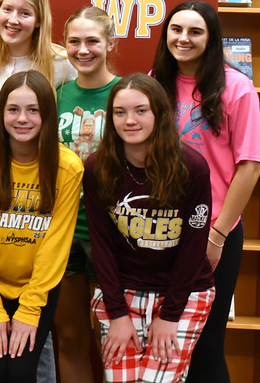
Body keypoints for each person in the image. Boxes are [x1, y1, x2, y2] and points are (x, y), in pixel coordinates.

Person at [151, 1, 260, 383]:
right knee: (163, 342)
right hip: (160, 229)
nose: (183, 39)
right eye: (176, 30)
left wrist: (217, 235)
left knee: (206, 343)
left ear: (211, 38)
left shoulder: (238, 88)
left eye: (195, 31)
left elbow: (250, 166)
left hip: (215, 232)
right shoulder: (155, 81)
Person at [85, 73, 215, 383]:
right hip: (122, 291)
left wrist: (170, 316)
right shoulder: (96, 167)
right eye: (120, 112)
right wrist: (117, 314)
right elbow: (101, 246)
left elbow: (194, 249)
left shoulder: (192, 168)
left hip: (183, 292)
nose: (130, 120)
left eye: (140, 110)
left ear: (159, 112)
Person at [0, 70, 83, 383]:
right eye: (13, 109)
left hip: (37, 285)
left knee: (20, 371)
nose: (22, 119)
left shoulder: (67, 167)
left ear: (47, 114)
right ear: (1, 112)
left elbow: (55, 246)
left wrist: (30, 309)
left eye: (33, 110)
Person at [53, 6, 120, 381]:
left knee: (114, 339)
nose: (83, 49)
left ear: (110, 43)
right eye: (74, 41)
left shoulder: (126, 93)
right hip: (63, 233)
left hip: (112, 234)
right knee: (71, 337)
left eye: (93, 41)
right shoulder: (57, 94)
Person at [0, 0, 76, 149]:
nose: (13, 20)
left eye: (25, 13)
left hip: (33, 171)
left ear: (39, 20)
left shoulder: (62, 63)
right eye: (7, 9)